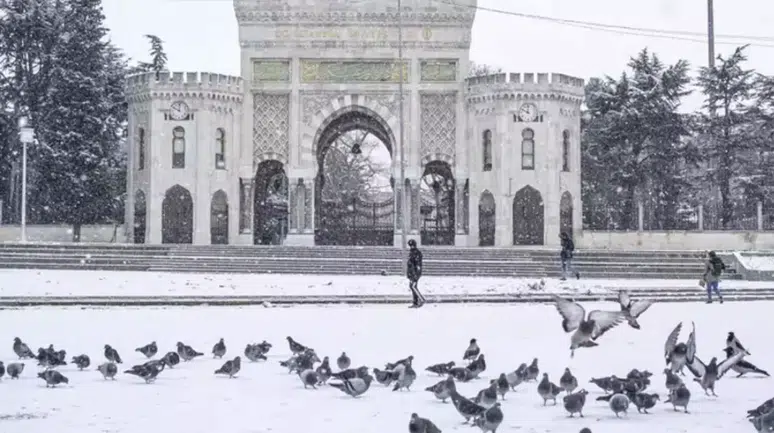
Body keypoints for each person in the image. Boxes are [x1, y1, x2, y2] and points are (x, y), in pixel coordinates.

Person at [407, 239, 426, 308]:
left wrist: (416, 273)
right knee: (413, 287)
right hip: (413, 273)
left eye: (412, 245)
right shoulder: (413, 252)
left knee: (413, 287)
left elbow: (417, 264)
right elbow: (411, 264)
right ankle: (415, 302)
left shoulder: (416, 253)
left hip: (415, 273)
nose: (411, 247)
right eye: (410, 245)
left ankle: (421, 299)